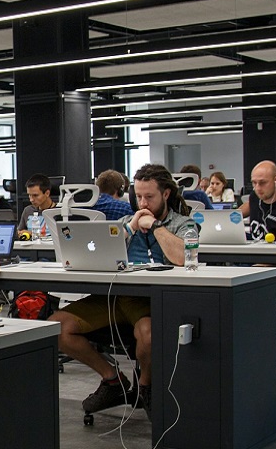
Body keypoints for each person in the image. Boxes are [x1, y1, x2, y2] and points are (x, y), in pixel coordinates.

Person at [50, 165, 196, 419]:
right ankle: (112, 379)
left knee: (148, 334)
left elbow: (183, 257)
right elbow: (97, 254)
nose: (143, 203)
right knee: (57, 327)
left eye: (149, 197)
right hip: (116, 297)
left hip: (150, 300)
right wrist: (130, 228)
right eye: (138, 196)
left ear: (166, 194)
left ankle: (146, 385)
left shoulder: (183, 223)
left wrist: (156, 226)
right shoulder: (124, 222)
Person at [237, 160, 276, 300]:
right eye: (254, 183)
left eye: (262, 183)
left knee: (262, 285)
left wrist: (263, 264)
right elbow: (234, 216)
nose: (257, 188)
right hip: (253, 258)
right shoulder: (254, 198)